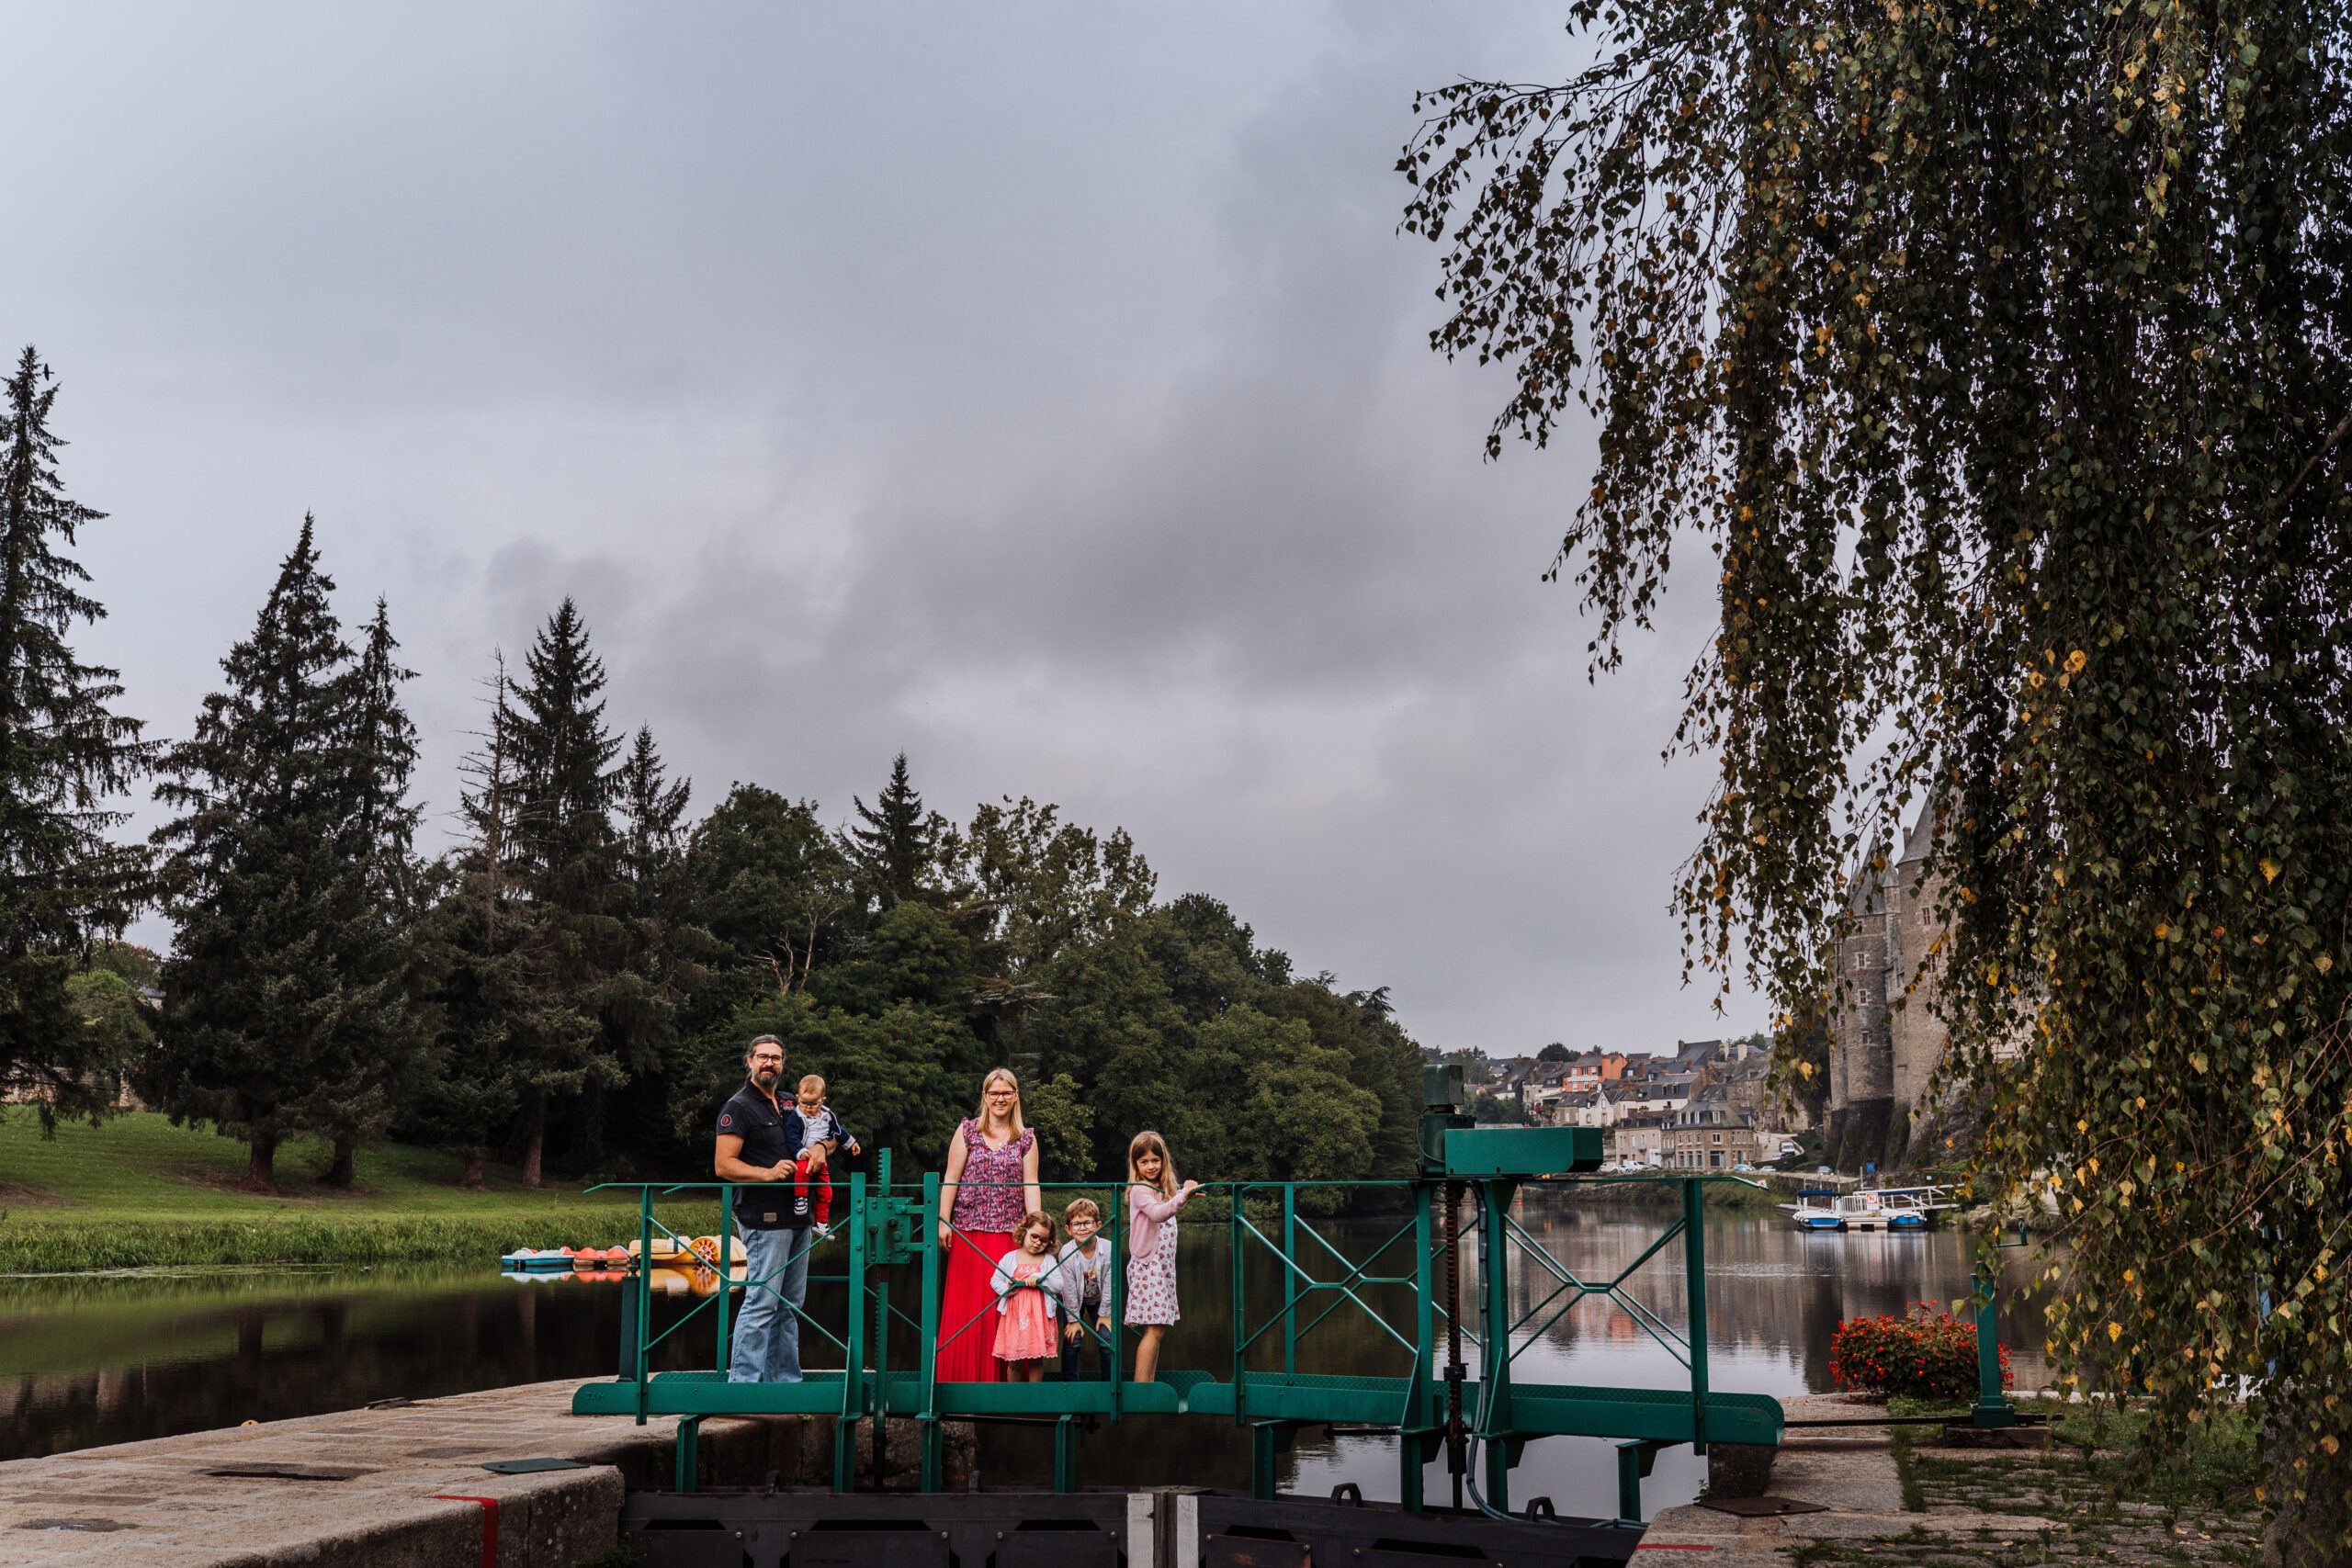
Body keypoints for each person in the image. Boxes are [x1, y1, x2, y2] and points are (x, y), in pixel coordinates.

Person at [713, 1034, 833, 1382]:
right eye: (763, 1057)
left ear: (783, 1064)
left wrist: (824, 1148)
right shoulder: (738, 1107)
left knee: (790, 1305)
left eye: (776, 1058)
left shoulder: (791, 1101)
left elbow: (830, 1133)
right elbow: (723, 1165)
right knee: (762, 1302)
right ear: (749, 1061)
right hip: (763, 1219)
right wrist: (766, 1174)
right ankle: (744, 1386)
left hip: (799, 1216)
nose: (770, 1063)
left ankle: (783, 1382)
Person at [935, 1067, 1042, 1382]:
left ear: (1015, 1096)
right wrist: (944, 1221)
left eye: (1006, 1093)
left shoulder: (1026, 1139)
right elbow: (951, 1179)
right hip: (969, 1232)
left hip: (1011, 1235)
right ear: (985, 1096)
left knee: (1009, 1307)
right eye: (994, 1093)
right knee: (968, 1309)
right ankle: (961, 1379)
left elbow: (1031, 1185)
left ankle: (1007, 1381)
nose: (1000, 1098)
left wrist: (1035, 1231)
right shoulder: (967, 1131)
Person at [1124, 1129, 1199, 1383]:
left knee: (1159, 1329)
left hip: (1162, 1269)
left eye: (1155, 1160)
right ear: (1135, 1164)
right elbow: (1158, 1214)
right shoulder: (1140, 1191)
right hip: (1147, 1267)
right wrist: (1183, 1196)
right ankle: (1141, 1387)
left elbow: (1167, 1206)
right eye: (1144, 1161)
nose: (1151, 1166)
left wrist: (1182, 1195)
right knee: (1154, 1329)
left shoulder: (1159, 1190)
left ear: (1163, 1161)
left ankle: (1149, 1384)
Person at [989, 1212, 1063, 1382]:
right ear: (1025, 1231)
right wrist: (1008, 1287)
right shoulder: (1009, 1258)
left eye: (1044, 1240)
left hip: (1039, 1318)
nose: (1038, 1243)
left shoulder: (1048, 1260)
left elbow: (1059, 1285)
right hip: (1015, 1317)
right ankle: (1013, 1399)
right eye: (1035, 1237)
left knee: (1036, 1360)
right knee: (1014, 1361)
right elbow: (995, 1280)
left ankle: (1033, 1398)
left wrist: (1041, 1279)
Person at [1052, 1197, 1114, 1381]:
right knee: (1073, 1340)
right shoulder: (1066, 1253)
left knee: (1107, 1340)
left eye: (1087, 1222)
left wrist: (1105, 1314)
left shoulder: (1109, 1248)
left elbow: (1111, 1284)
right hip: (1074, 1301)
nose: (1082, 1228)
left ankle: (1108, 1385)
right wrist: (1073, 1320)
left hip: (1102, 1301)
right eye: (1076, 1224)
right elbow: (1068, 1290)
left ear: (1098, 1225)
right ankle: (1070, 1385)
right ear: (1068, 1230)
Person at [788, 1074, 860, 1235]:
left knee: (826, 1191)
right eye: (803, 1102)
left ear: (822, 1100)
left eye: (813, 1104)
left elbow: (838, 1131)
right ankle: (800, 1199)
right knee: (801, 1173)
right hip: (803, 1157)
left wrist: (851, 1143)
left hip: (821, 1160)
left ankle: (821, 1222)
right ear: (797, 1098)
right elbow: (791, 1136)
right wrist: (800, 1152)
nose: (807, 1107)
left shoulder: (828, 1116)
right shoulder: (796, 1116)